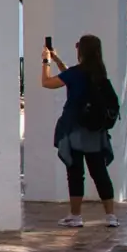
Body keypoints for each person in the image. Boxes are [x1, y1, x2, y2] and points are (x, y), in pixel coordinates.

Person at [40, 33, 120, 225]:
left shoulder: (75, 74)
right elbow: (71, 74)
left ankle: (75, 216)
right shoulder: (99, 72)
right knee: (99, 172)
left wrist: (46, 61)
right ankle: (111, 216)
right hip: (95, 131)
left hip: (74, 129)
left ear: (81, 50)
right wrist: (57, 59)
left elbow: (47, 83)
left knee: (75, 172)